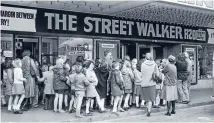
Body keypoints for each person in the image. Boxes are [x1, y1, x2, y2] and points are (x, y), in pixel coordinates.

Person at [140, 53, 158, 117]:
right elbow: (157, 74)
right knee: (150, 98)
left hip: (144, 83)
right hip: (152, 83)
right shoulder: (154, 64)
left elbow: (142, 73)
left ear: (145, 57)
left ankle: (148, 108)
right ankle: (149, 110)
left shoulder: (143, 64)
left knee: (146, 98)